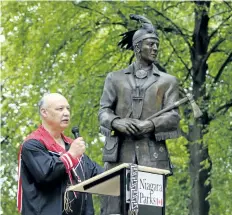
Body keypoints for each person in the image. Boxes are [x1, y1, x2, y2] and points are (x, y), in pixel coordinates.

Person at [99, 14, 181, 214]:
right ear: (137, 47)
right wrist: (117, 122)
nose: (155, 49)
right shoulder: (115, 78)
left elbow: (173, 117)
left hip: (152, 157)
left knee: (148, 212)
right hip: (118, 156)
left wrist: (150, 125)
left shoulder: (167, 81)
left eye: (157, 45)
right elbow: (103, 112)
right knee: (113, 211)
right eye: (150, 44)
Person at [17, 93, 103, 215]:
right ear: (44, 112)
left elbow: (98, 174)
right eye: (60, 109)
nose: (66, 113)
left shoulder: (71, 145)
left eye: (68, 108)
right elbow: (46, 174)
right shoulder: (32, 145)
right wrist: (72, 155)